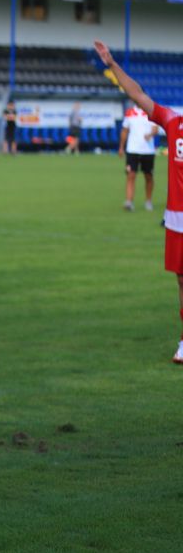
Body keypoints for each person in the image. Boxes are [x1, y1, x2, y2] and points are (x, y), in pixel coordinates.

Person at [96, 40, 183, 362]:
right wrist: (112, 63)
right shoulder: (174, 123)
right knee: (181, 277)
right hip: (177, 218)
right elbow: (137, 94)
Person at [120, 99, 159, 211]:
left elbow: (156, 129)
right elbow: (125, 130)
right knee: (131, 175)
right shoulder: (129, 112)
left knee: (148, 176)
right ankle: (129, 201)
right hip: (132, 149)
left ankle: (148, 201)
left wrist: (150, 134)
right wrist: (121, 147)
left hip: (148, 151)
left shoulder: (151, 112)